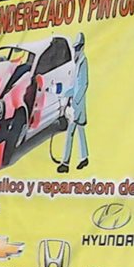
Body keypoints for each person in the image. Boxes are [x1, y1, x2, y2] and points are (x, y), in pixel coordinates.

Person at [58, 32, 90, 174]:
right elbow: (75, 86)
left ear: (82, 47)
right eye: (74, 48)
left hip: (77, 106)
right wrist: (64, 93)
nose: (75, 51)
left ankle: (65, 162)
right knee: (80, 131)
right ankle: (84, 157)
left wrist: (74, 103)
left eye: (77, 48)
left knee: (70, 132)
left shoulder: (83, 62)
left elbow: (83, 85)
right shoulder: (77, 63)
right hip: (76, 105)